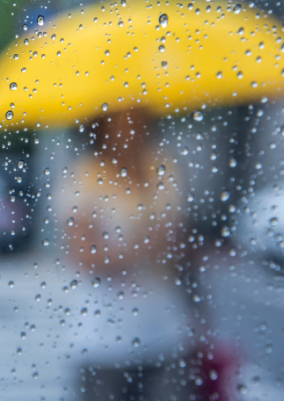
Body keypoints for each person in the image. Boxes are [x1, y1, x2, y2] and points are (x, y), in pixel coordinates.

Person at [58, 109, 196, 400]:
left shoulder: (163, 166)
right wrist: (146, 246)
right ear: (101, 127)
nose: (129, 130)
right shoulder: (86, 175)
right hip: (101, 334)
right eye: (119, 121)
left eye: (137, 119)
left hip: (165, 327)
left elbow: (178, 242)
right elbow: (83, 256)